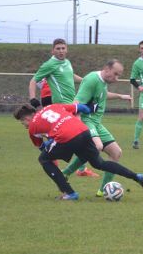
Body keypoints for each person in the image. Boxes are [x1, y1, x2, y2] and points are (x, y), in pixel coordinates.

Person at [13, 103, 143, 200]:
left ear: (26, 118)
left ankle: (69, 193)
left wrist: (58, 176)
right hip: (83, 131)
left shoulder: (32, 127)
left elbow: (45, 151)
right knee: (99, 163)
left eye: (22, 123)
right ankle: (137, 176)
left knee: (43, 159)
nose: (24, 126)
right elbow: (82, 108)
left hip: (66, 137)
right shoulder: (53, 107)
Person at [60, 59, 134, 197]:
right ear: (106, 69)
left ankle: (103, 191)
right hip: (87, 120)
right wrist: (77, 124)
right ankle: (66, 173)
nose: (117, 79)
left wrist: (120, 96)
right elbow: (77, 102)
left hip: (97, 123)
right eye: (115, 74)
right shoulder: (92, 80)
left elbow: (102, 96)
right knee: (97, 147)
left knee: (116, 153)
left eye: (119, 75)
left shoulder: (102, 82)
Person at [27, 38, 97, 178]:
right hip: (62, 105)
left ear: (67, 49)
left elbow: (71, 76)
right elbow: (34, 80)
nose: (61, 51)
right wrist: (32, 98)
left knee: (76, 135)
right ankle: (73, 167)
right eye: (58, 48)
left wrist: (86, 81)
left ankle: (74, 166)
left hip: (72, 102)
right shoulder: (50, 64)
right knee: (79, 135)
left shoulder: (67, 62)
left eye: (63, 48)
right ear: (53, 50)